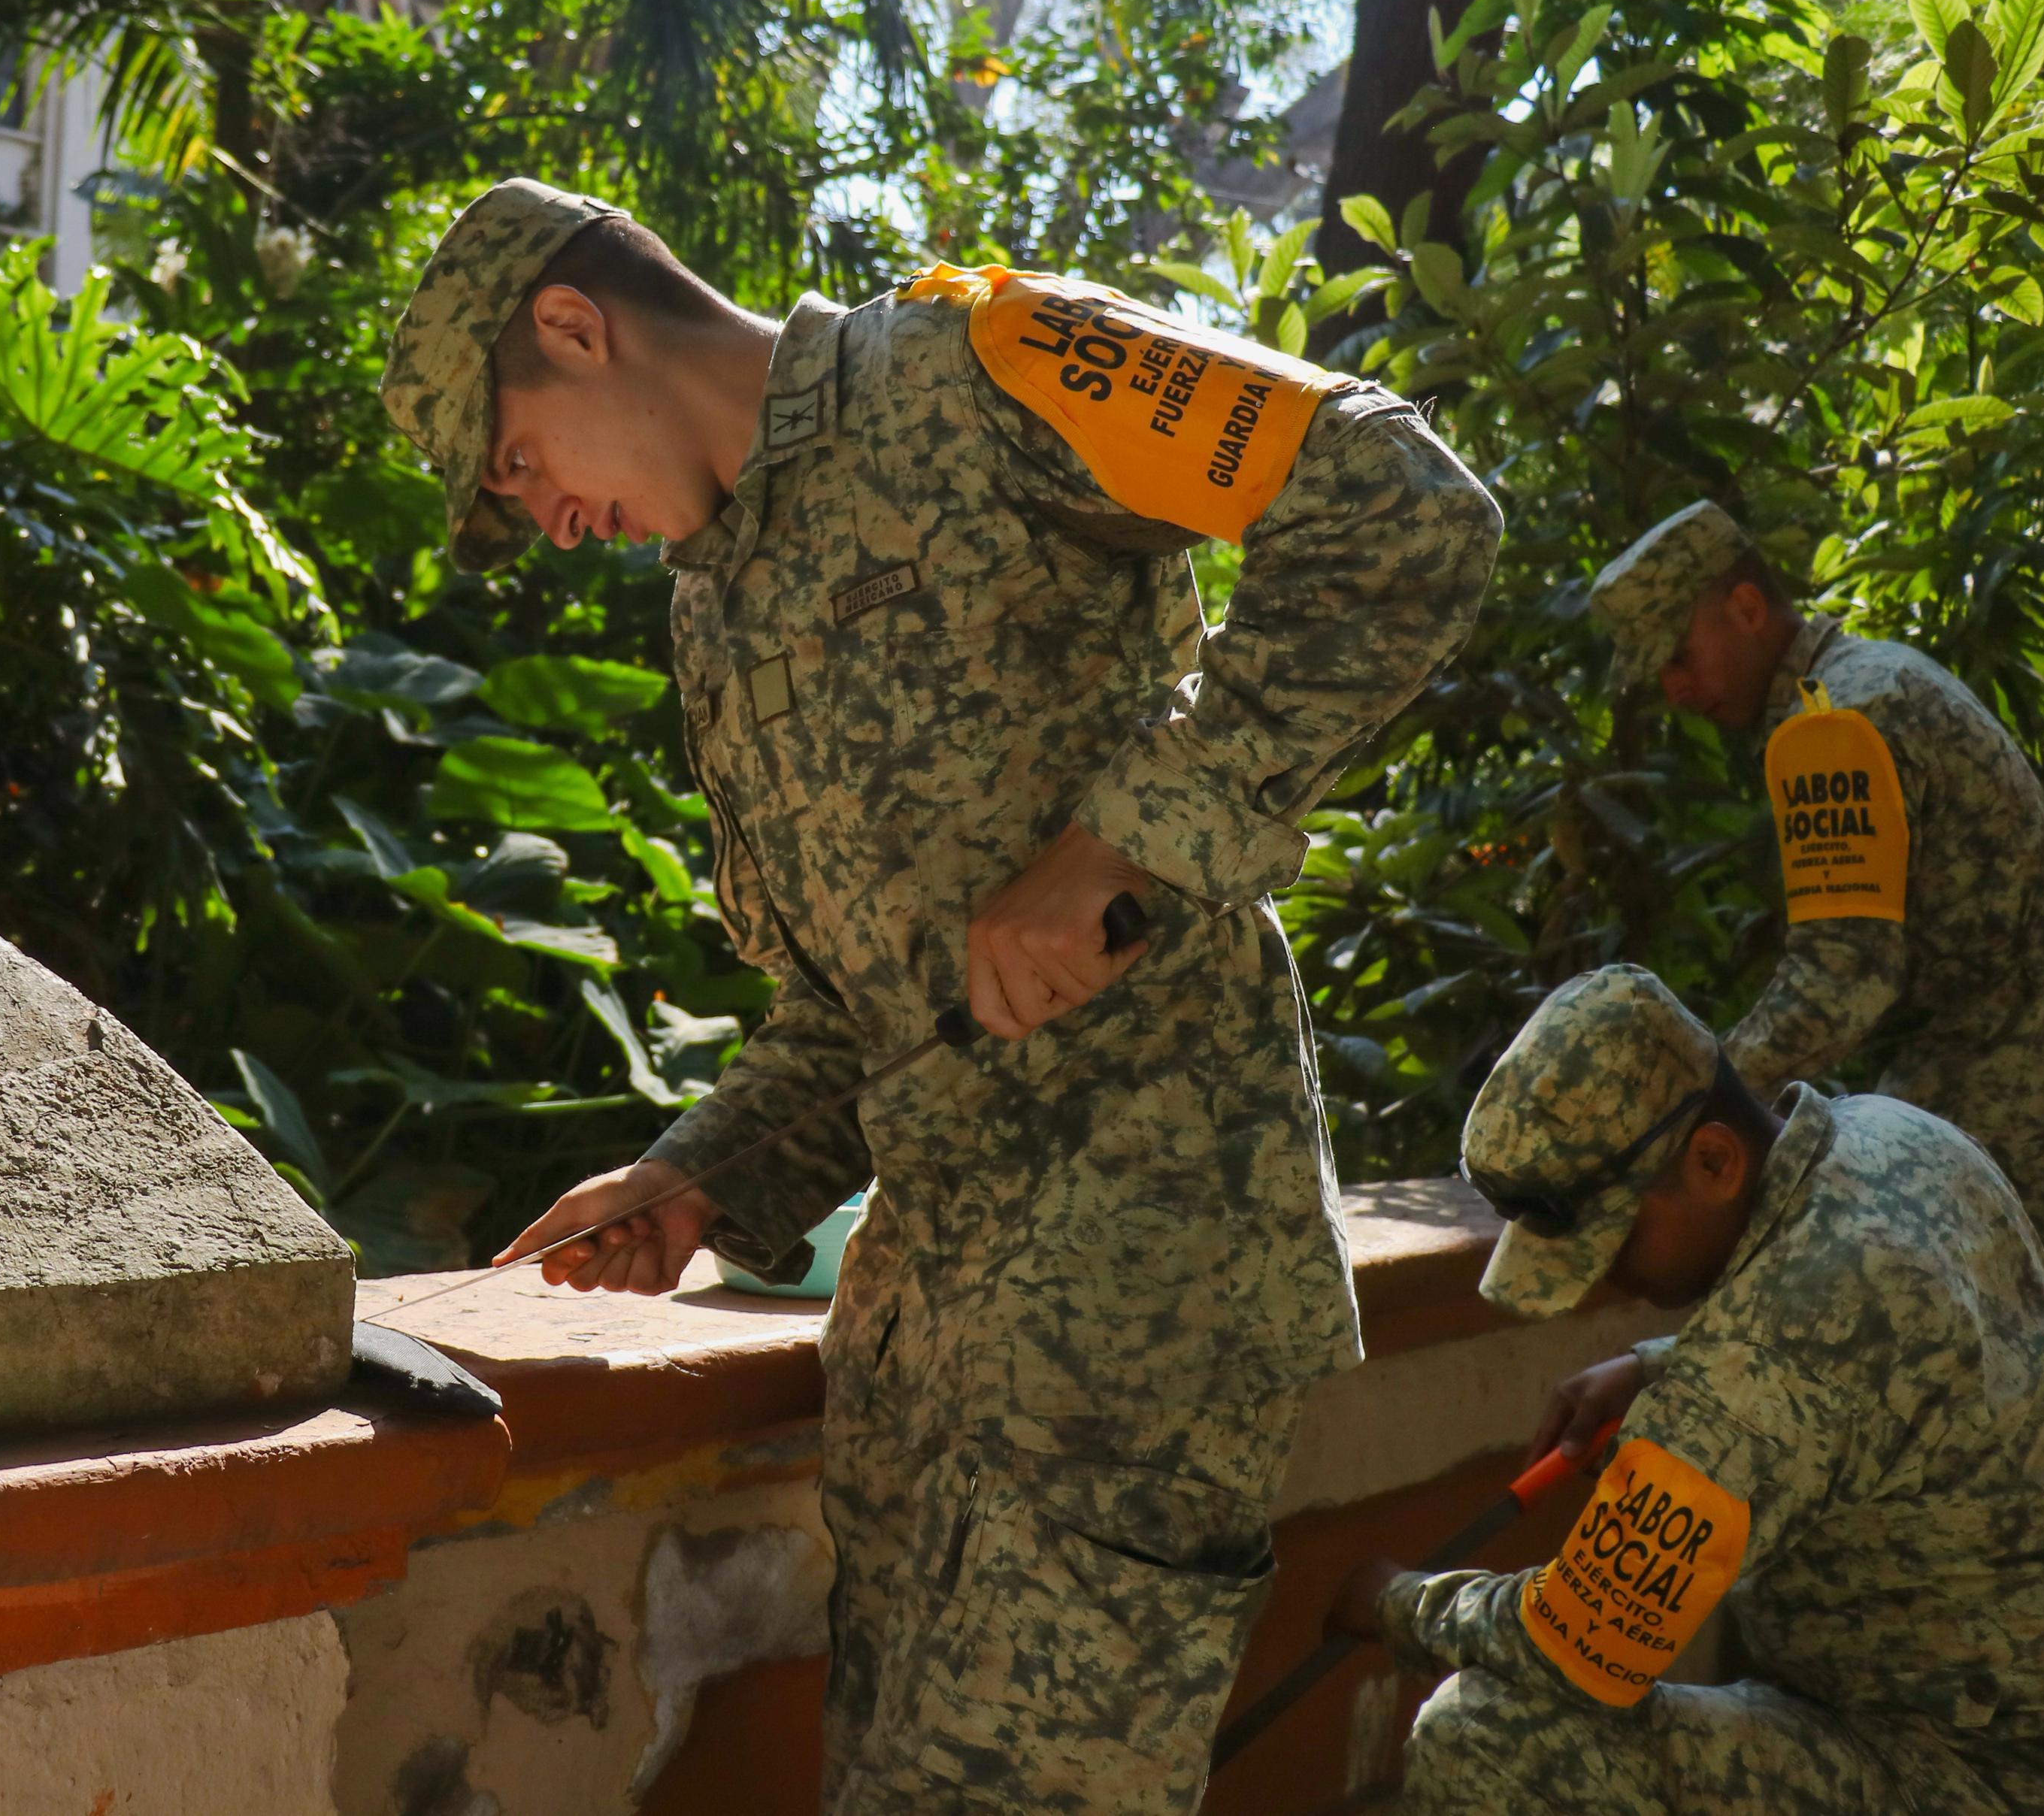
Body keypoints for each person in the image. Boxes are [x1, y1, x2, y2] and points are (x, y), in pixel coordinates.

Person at [378, 180, 1502, 1814]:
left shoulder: (982, 365)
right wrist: (697, 1179)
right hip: (923, 1361)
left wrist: (1128, 839)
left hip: (1130, 1300)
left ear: (573, 326)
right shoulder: (715, 606)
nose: (548, 522)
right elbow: (867, 1010)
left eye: (517, 461)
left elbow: (1403, 501)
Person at [1326, 963, 2044, 1811]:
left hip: (1970, 1774)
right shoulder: (1891, 1135)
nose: (1602, 1277)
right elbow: (1869, 1336)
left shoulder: (1775, 1351)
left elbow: (1576, 1642)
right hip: (2014, 1714)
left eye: (1615, 1239)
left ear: (1714, 1160)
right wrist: (1656, 1363)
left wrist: (1395, 1604)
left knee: (1487, 1737)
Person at [1591, 500, 2044, 1276]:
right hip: (2035, 1112)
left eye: (1679, 655)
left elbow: (1843, 978)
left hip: (1996, 1140)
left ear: (1746, 607)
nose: (1673, 688)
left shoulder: (1835, 725)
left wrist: (1687, 1111)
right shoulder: (1877, 675)